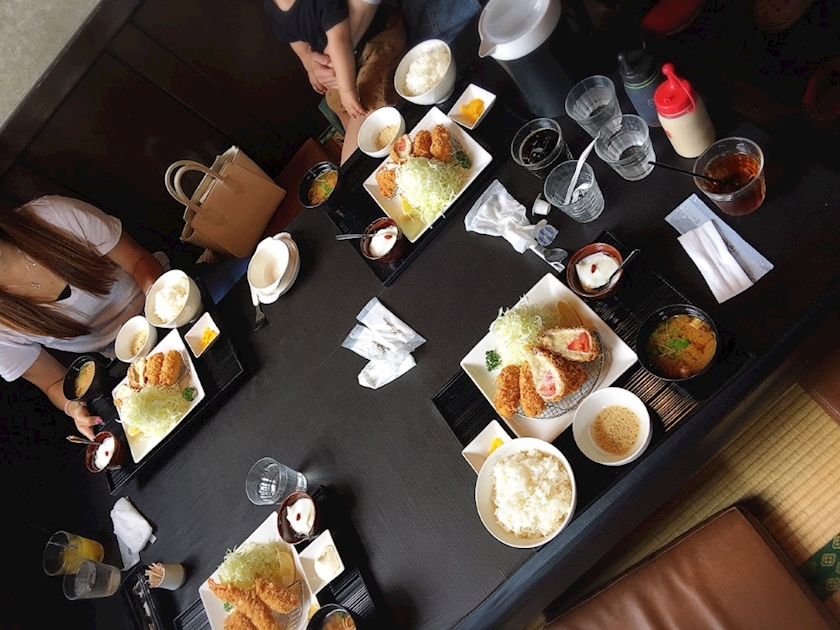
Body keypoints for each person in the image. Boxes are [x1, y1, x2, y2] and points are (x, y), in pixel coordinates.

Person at [0, 196, 164, 439]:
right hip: (126, 360)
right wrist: (74, 407)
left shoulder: (52, 216)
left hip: (163, 298)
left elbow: (139, 262)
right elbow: (52, 382)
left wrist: (163, 305)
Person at [264, 0, 406, 164]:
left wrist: (347, 90)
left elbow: (339, 39)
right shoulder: (273, 7)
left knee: (365, 98)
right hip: (346, 58)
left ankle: (361, 151)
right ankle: (361, 140)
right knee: (334, 101)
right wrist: (310, 66)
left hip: (377, 39)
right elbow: (296, 41)